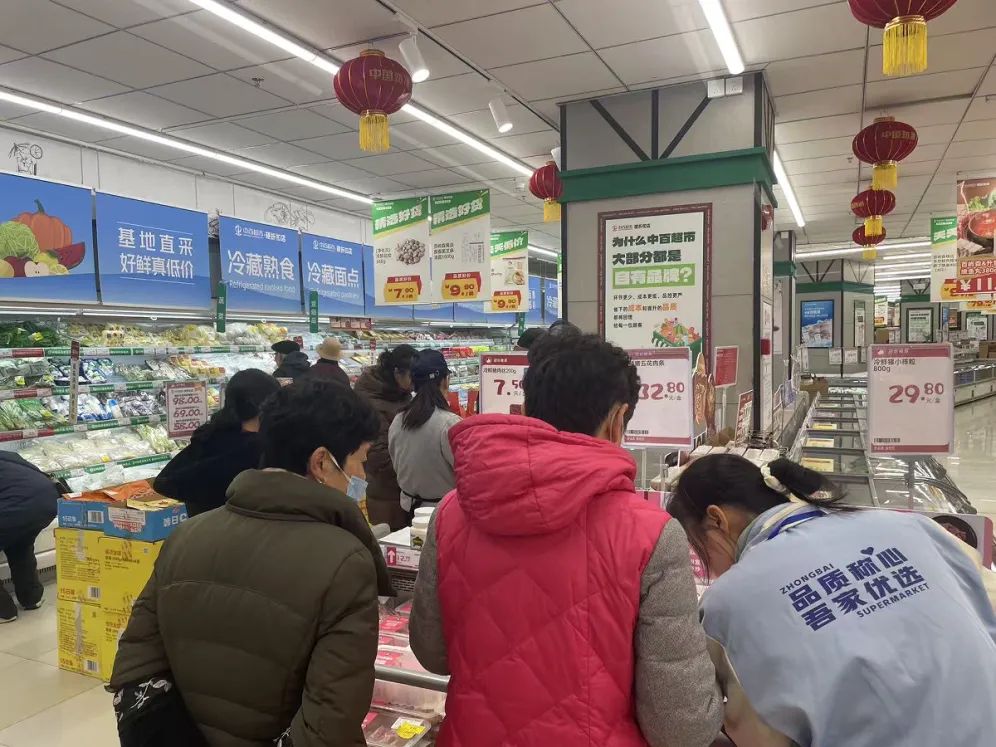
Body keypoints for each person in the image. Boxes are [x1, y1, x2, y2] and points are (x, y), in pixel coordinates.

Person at [409, 331, 723, 747]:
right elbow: (680, 727)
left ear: (527, 409)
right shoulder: (650, 533)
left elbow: (432, 652)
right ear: (617, 419)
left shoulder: (452, 512)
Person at [111, 379, 393, 746]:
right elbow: (330, 721)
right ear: (322, 462)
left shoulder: (186, 535)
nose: (362, 476)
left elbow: (137, 660)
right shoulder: (346, 562)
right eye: (360, 460)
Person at [669, 454, 996, 747]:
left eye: (697, 545)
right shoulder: (912, 526)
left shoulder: (728, 603)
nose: (706, 565)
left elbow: (760, 734)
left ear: (717, 519)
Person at [154, 369, 281, 516]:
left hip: (203, 526)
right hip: (241, 528)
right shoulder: (256, 451)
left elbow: (164, 482)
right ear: (264, 405)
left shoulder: (209, 437)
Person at [388, 349, 461, 517]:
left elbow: (396, 461)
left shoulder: (399, 419)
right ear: (445, 380)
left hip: (409, 509)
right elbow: (464, 471)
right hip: (444, 513)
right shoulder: (449, 423)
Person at [354, 344, 417, 530]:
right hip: (385, 491)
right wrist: (412, 475)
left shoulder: (400, 392)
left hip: (402, 486)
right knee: (391, 540)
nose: (415, 382)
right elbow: (378, 455)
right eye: (412, 376)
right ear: (397, 372)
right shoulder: (371, 399)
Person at [0, 452, 60, 622]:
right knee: (20, 545)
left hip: (17, 503)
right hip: (47, 500)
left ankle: (4, 611)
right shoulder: (7, 455)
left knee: (17, 538)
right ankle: (32, 597)